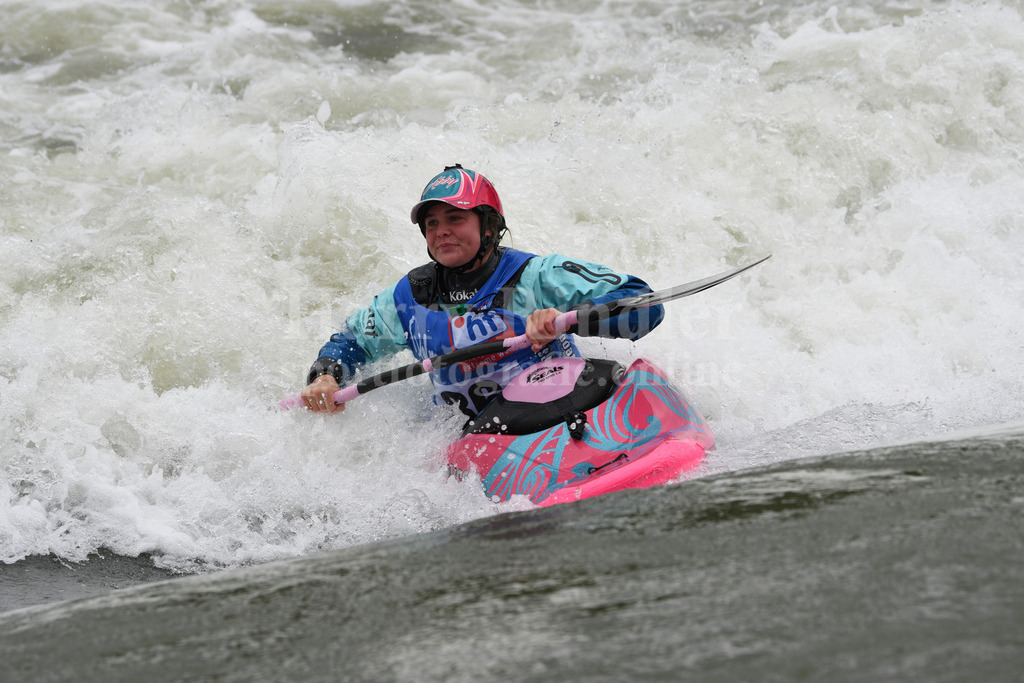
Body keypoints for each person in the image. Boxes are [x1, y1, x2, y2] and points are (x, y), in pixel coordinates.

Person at [300, 164, 665, 418]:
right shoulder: (408, 298)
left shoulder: (535, 274)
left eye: (455, 219)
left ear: (489, 226)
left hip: (560, 406)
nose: (440, 231)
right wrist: (326, 376)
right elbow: (351, 342)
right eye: (432, 223)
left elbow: (644, 303)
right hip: (480, 438)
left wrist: (567, 319)